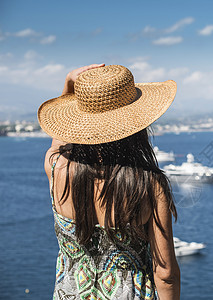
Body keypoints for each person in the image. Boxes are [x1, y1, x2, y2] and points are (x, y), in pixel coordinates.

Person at [38, 64, 180, 300]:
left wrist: (68, 86)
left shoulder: (55, 167)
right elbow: (165, 273)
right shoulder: (149, 185)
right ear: (137, 122)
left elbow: (59, 142)